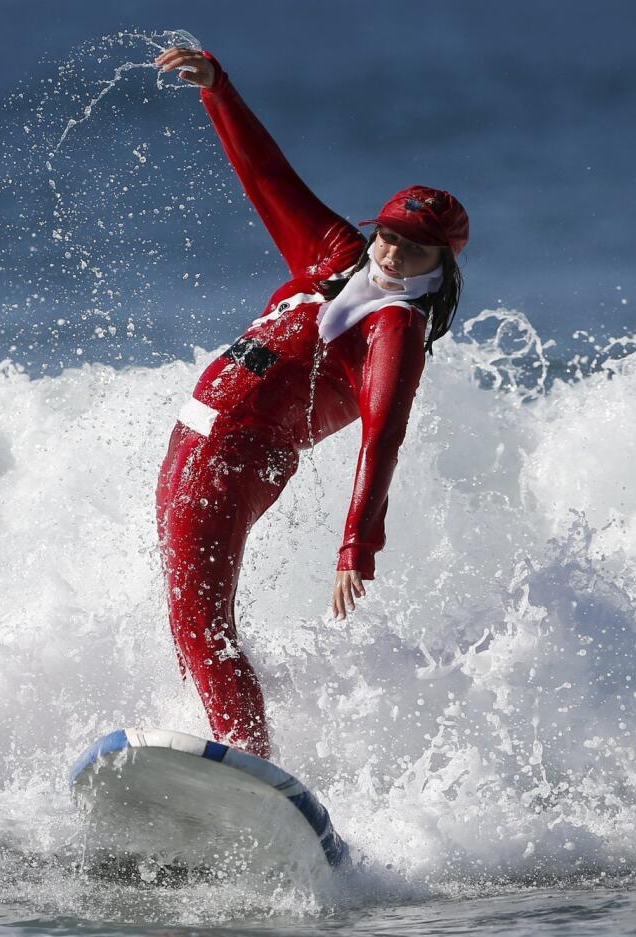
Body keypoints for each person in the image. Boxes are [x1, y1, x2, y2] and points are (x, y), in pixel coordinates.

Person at [153, 47, 468, 760]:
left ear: (442, 263)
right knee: (188, 617)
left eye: (415, 248)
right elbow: (267, 179)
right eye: (388, 233)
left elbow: (383, 435)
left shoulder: (394, 331)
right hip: (192, 441)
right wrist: (219, 92)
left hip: (234, 459)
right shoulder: (334, 254)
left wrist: (358, 542)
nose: (390, 253)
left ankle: (250, 768)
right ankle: (218, 753)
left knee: (202, 622)